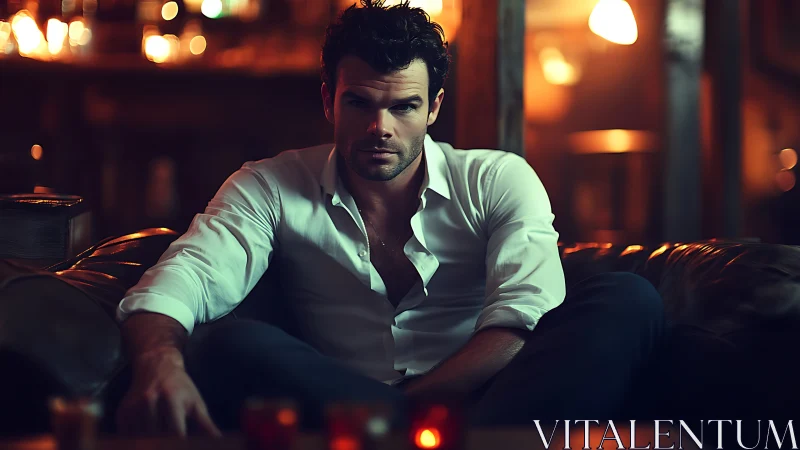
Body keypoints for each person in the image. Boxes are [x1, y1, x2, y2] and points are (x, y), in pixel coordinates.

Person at [114, 0, 664, 437]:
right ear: (329, 100)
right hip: (344, 401)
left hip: (492, 395)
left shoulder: (497, 178)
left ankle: (438, 436)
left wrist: (412, 409)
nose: (381, 126)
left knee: (628, 300)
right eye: (360, 103)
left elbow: (522, 318)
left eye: (403, 106)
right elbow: (179, 281)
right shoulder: (271, 186)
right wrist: (159, 361)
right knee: (229, 346)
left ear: (434, 108)